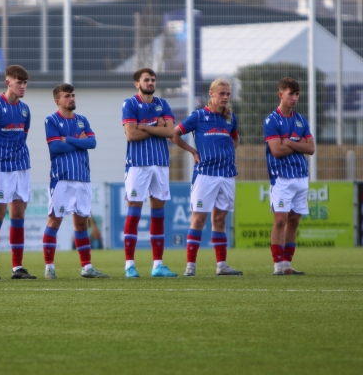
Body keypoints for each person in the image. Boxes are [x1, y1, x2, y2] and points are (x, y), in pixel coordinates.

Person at [172, 78, 243, 276]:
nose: (225, 97)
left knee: (220, 219)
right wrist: (193, 152)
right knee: (198, 219)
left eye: (228, 94)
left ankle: (222, 265)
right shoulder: (198, 116)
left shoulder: (230, 118)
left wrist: (228, 149)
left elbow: (236, 138)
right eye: (222, 93)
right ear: (211, 94)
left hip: (227, 174)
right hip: (205, 175)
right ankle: (190, 266)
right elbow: (175, 134)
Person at [42, 83, 110, 279]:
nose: (71, 98)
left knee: (82, 223)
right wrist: (78, 141)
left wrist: (68, 139)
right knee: (54, 220)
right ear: (57, 101)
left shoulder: (82, 120)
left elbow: (92, 143)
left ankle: (87, 267)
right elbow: (55, 148)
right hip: (62, 179)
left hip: (82, 178)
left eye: (72, 95)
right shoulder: (51, 120)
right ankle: (49, 267)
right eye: (66, 96)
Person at [0, 65, 36, 280]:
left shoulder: (24, 109)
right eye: (18, 82)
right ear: (8, 82)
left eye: (25, 83)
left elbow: (23, 136)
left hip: (21, 166)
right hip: (0, 168)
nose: (22, 87)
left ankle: (17, 268)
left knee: (19, 214)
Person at [121, 68, 177, 278]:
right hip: (138, 164)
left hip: (160, 164)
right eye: (146, 80)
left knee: (158, 214)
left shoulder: (163, 104)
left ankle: (158, 265)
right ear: (137, 83)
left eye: (153, 79)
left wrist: (145, 126)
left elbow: (170, 131)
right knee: (134, 211)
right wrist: (156, 125)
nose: (151, 82)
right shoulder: (130, 104)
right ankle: (129, 265)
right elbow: (131, 134)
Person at [264, 77, 315, 275]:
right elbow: (276, 150)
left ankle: (287, 263)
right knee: (280, 220)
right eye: (290, 94)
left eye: (297, 94)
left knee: (294, 220)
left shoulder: (301, 120)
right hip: (281, 178)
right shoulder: (271, 120)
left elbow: (311, 148)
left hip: (301, 176)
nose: (294, 98)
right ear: (280, 95)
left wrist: (290, 143)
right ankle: (278, 264)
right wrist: (298, 143)